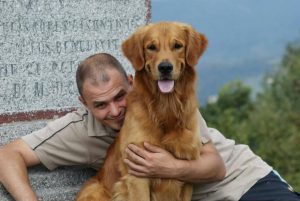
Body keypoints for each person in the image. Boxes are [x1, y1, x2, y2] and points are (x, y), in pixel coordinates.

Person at [0, 53, 299, 201]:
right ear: (84, 103)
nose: (114, 111)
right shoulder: (81, 129)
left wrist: (168, 167)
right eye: (100, 105)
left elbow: (216, 167)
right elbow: (8, 155)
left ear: (132, 82)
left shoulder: (168, 104)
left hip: (242, 183)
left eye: (120, 96)